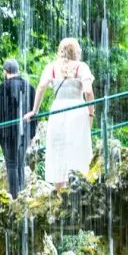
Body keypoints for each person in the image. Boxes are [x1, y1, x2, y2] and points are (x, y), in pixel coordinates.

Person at [25, 37, 95, 188]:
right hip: (77, 110)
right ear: (76, 51)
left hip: (57, 111)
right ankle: (77, 190)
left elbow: (42, 86)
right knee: (77, 149)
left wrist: (34, 111)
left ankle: (59, 195)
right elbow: (88, 91)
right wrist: (91, 113)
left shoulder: (51, 67)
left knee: (59, 150)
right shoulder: (81, 67)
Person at [0, 59, 36, 199]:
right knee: (20, 163)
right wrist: (32, 134)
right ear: (18, 71)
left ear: (5, 71)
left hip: (7, 132)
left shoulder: (4, 86)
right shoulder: (29, 87)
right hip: (24, 131)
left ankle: (14, 196)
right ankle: (22, 195)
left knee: (11, 164)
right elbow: (34, 113)